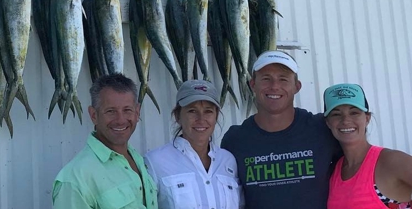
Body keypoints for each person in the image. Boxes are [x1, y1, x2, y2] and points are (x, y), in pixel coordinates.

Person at [220, 50, 341, 209]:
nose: (274, 86)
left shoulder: (323, 128)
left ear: (297, 86)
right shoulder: (235, 139)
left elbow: (358, 169)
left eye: (283, 79)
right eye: (266, 79)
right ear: (253, 84)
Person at [52, 73, 158, 209]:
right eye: (110, 111)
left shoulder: (136, 159)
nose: (120, 120)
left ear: (137, 113)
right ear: (94, 115)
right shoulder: (74, 180)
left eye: (127, 110)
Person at [144, 80, 244, 209]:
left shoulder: (228, 160)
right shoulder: (154, 161)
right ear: (177, 116)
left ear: (216, 116)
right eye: (192, 111)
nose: (201, 119)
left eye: (208, 111)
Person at [323, 83, 412, 208]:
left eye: (354, 112)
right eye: (336, 114)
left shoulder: (390, 161)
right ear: (328, 122)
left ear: (367, 118)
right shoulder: (334, 171)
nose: (346, 120)